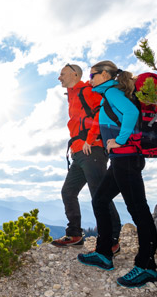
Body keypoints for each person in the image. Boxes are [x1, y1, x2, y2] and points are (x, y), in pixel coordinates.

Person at [77, 60, 157, 288]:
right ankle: (104, 253)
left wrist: (120, 141)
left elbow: (131, 113)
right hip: (120, 161)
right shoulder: (110, 94)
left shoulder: (112, 92)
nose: (90, 78)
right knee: (100, 200)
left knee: (138, 210)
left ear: (105, 75)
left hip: (127, 159)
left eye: (93, 74)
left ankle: (146, 267)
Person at [52, 63, 121, 253]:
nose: (59, 77)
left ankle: (113, 239)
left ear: (75, 74)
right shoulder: (73, 95)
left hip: (93, 150)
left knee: (100, 194)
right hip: (79, 153)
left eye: (62, 73)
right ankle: (74, 235)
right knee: (68, 191)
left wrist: (90, 140)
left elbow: (101, 113)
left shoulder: (87, 90)